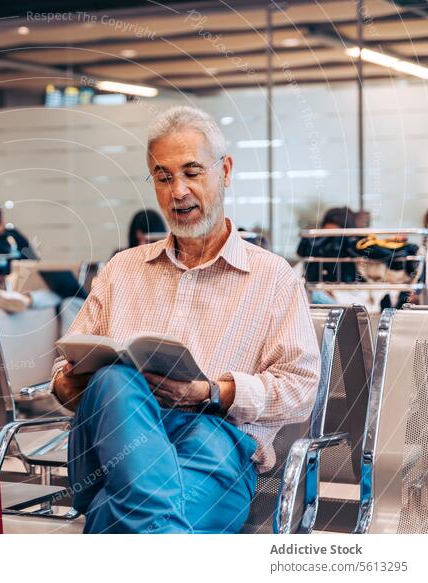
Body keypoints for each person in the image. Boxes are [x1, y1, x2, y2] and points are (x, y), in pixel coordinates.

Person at [51, 105, 320, 534]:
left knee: (117, 519)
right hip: (111, 446)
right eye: (163, 176)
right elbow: (63, 383)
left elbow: (301, 389)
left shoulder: (272, 278)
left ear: (225, 171)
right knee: (114, 381)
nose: (178, 191)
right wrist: (75, 379)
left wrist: (210, 391)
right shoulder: (122, 270)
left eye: (192, 172)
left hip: (212, 446)